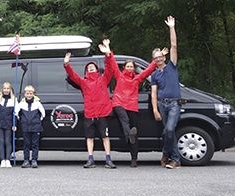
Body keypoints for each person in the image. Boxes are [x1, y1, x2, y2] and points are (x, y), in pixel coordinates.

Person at [106, 48, 165, 167]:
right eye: (127, 66)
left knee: (135, 134)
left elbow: (148, 71)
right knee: (125, 120)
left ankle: (134, 159)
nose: (129, 68)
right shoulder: (119, 75)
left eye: (131, 67)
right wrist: (108, 51)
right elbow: (112, 64)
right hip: (118, 103)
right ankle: (129, 134)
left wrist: (158, 58)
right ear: (124, 68)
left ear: (134, 68)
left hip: (131, 106)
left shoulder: (137, 79)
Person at [64, 39, 117, 169]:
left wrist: (107, 53)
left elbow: (110, 68)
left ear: (97, 69)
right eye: (88, 67)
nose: (90, 67)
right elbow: (73, 76)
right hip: (90, 113)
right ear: (86, 70)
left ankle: (108, 159)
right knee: (89, 137)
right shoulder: (83, 82)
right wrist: (66, 64)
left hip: (102, 113)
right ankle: (90, 159)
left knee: (105, 137)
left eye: (92, 66)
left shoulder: (103, 79)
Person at [151, 16, 183, 169]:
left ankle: (166, 154)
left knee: (170, 130)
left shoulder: (172, 66)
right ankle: (174, 160)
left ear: (164, 57)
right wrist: (156, 109)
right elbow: (153, 93)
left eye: (160, 57)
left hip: (174, 104)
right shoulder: (155, 75)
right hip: (162, 105)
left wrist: (171, 27)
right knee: (169, 133)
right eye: (155, 58)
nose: (158, 59)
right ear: (154, 60)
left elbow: (174, 45)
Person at [15, 85, 45, 168]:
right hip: (25, 127)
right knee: (26, 144)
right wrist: (22, 121)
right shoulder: (21, 104)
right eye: (27, 93)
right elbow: (16, 113)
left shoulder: (37, 103)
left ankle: (34, 160)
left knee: (35, 144)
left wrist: (38, 121)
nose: (29, 95)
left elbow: (43, 113)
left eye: (31, 93)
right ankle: (26, 160)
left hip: (36, 127)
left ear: (33, 94)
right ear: (25, 94)